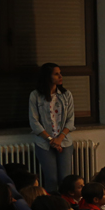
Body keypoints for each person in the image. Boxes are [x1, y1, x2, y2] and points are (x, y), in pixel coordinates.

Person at [28, 62, 76, 193]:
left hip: (64, 142)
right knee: (51, 178)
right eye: (56, 74)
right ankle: (52, 206)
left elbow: (71, 120)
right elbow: (34, 121)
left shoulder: (66, 95)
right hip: (44, 143)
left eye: (60, 73)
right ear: (47, 76)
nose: (60, 76)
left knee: (65, 179)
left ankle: (66, 206)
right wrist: (51, 140)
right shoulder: (35, 95)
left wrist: (60, 138)